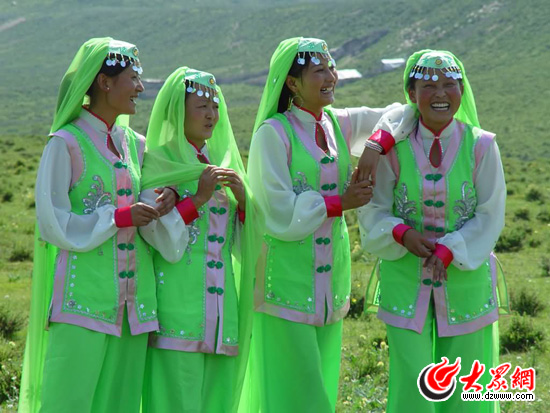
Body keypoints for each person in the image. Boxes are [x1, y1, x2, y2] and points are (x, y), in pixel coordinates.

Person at [242, 37, 415, 413]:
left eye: (332, 67)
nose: (331, 76)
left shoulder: (339, 123)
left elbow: (402, 112)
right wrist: (340, 202)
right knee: (296, 391)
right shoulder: (273, 133)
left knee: (321, 381)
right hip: (283, 284)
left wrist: (375, 145)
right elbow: (276, 212)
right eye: (319, 70)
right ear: (292, 83)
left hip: (329, 283)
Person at [18, 37, 176, 413]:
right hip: (82, 302)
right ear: (104, 82)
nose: (140, 87)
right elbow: (52, 221)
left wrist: (168, 195)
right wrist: (119, 217)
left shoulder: (136, 145)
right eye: (133, 78)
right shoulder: (65, 143)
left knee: (121, 404)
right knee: (68, 402)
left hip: (134, 307)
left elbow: (152, 195)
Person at [359, 49, 509, 412]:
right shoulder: (392, 149)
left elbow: (491, 213)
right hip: (404, 280)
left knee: (468, 383)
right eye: (428, 86)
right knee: (412, 380)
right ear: (411, 94)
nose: (440, 93)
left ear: (462, 90)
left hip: (466, 282)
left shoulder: (482, 146)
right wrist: (401, 234)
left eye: (449, 84)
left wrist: (451, 247)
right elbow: (374, 210)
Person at [138, 67, 262, 413]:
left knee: (216, 402)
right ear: (177, 112)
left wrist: (243, 204)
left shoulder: (221, 164)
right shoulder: (158, 166)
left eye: (215, 106)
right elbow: (161, 239)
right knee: (175, 402)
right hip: (177, 313)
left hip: (222, 314)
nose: (211, 115)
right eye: (201, 106)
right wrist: (199, 199)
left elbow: (239, 245)